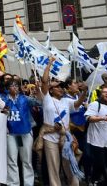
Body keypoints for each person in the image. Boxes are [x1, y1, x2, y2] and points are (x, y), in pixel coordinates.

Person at [39, 57, 87, 186]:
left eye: (62, 87)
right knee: (53, 168)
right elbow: (44, 81)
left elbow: (78, 103)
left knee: (70, 165)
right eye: (58, 87)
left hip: (65, 137)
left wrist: (84, 92)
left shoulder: (66, 101)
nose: (61, 89)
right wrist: (49, 63)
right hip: (50, 136)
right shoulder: (47, 98)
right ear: (51, 89)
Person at [0, 79, 38, 186]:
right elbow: (2, 108)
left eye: (16, 85)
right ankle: (13, 184)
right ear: (7, 88)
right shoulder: (4, 99)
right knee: (12, 160)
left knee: (26, 160)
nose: (15, 87)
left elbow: (39, 102)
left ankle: (28, 183)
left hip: (25, 133)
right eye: (12, 85)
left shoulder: (25, 99)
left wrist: (39, 90)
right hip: (11, 133)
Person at [84, 84, 107, 185]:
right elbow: (88, 118)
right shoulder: (95, 104)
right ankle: (94, 181)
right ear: (101, 95)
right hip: (98, 142)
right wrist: (102, 118)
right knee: (100, 164)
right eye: (105, 92)